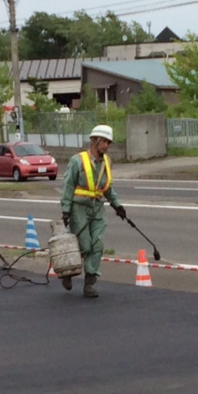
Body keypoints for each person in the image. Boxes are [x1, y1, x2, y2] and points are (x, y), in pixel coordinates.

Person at [60, 124, 126, 298]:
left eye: (108, 142)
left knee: (97, 244)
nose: (106, 145)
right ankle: (68, 272)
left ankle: (89, 283)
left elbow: (107, 187)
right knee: (84, 245)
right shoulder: (78, 160)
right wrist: (66, 210)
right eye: (103, 141)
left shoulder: (107, 162)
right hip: (79, 208)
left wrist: (117, 205)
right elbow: (68, 186)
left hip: (97, 208)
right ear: (94, 141)